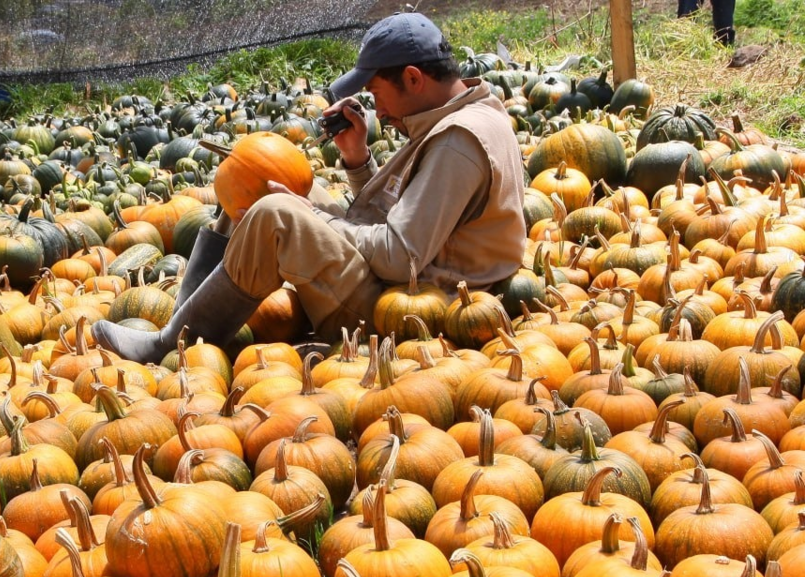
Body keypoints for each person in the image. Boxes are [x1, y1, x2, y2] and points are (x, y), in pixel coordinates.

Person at [91, 11, 527, 364]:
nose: (378, 110)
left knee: (273, 211)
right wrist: (358, 161)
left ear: (414, 78)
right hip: (407, 283)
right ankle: (183, 324)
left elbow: (400, 258)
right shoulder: (465, 115)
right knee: (251, 177)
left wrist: (306, 212)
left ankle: (172, 346)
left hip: (410, 313)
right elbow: (407, 220)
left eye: (376, 94)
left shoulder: (457, 142)